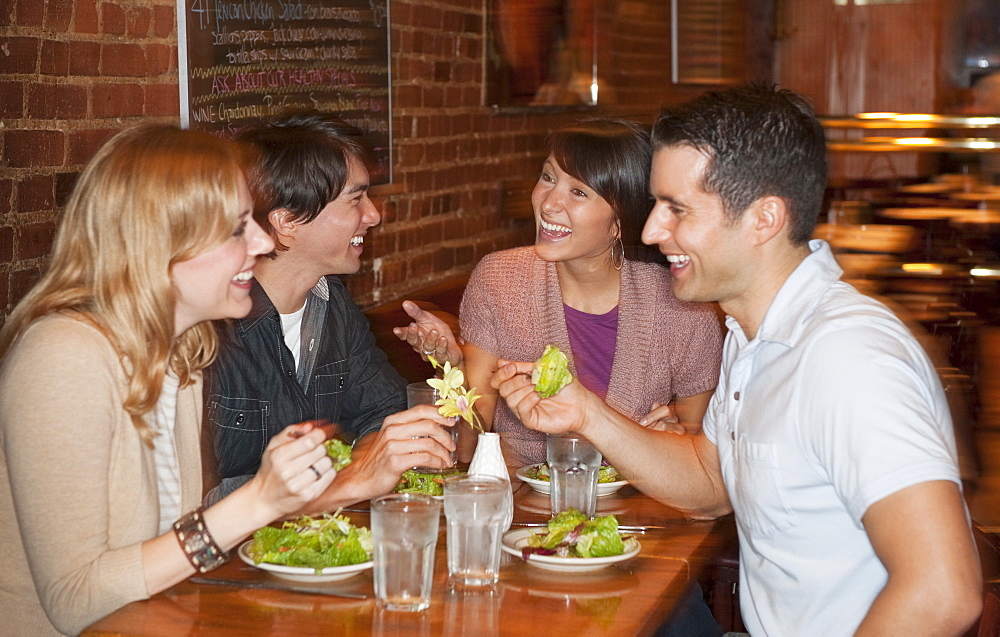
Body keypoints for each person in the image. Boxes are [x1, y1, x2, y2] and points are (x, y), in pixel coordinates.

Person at [492, 86, 983, 635]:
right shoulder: (750, 336)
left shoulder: (848, 357)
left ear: (764, 219)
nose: (652, 232)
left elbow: (943, 591)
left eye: (677, 209)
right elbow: (712, 481)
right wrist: (586, 414)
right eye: (656, 205)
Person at [0, 125, 344, 635]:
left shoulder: (183, 352)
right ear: (160, 244)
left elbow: (167, 550)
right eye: (236, 228)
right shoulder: (64, 354)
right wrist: (260, 501)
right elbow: (75, 601)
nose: (263, 241)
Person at [395, 118, 723, 466]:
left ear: (619, 222)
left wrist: (676, 439)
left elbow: (702, 462)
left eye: (578, 192)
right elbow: (468, 447)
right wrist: (453, 370)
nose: (548, 203)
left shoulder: (683, 310)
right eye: (548, 177)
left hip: (634, 511)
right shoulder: (499, 280)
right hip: (523, 507)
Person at [204, 110, 454, 509]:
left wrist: (357, 472)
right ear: (287, 222)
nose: (373, 215)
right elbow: (197, 499)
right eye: (355, 199)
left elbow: (384, 417)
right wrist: (349, 481)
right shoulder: (209, 330)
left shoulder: (331, 303)